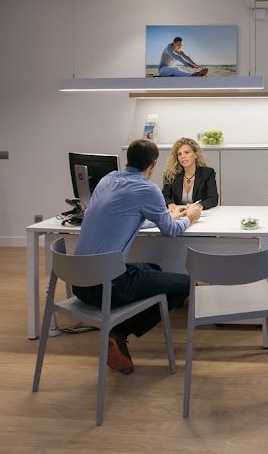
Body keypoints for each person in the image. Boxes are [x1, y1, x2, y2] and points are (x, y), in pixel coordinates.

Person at [72, 138, 202, 374]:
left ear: (128, 159)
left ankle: (120, 331)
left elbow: (127, 218)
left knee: (153, 268)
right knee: (187, 284)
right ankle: (120, 332)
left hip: (79, 283)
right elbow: (170, 232)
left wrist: (167, 216)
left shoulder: (107, 180)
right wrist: (189, 218)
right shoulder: (148, 189)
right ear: (153, 164)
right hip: (107, 287)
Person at [161, 137, 219, 210]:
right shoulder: (171, 175)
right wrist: (170, 204)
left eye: (187, 152)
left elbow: (213, 198)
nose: (183, 156)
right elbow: (164, 196)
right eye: (179, 154)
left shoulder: (207, 173)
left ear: (196, 154)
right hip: (179, 213)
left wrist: (199, 206)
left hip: (200, 213)